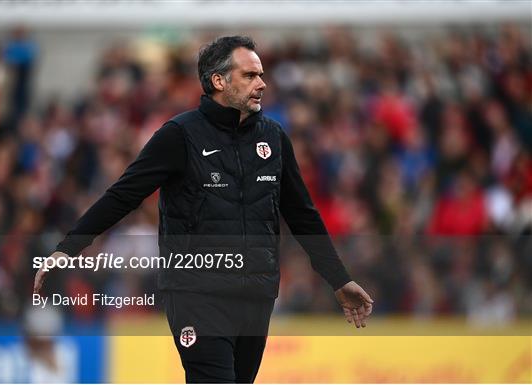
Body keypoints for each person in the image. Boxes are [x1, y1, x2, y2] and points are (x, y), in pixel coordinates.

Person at [34, 36, 374, 383]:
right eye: (250, 75)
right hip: (196, 294)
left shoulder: (273, 137)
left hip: (256, 294)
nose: (262, 83)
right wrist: (70, 247)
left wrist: (339, 279)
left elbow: (302, 214)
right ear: (218, 81)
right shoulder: (180, 135)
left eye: (261, 74)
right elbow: (123, 195)